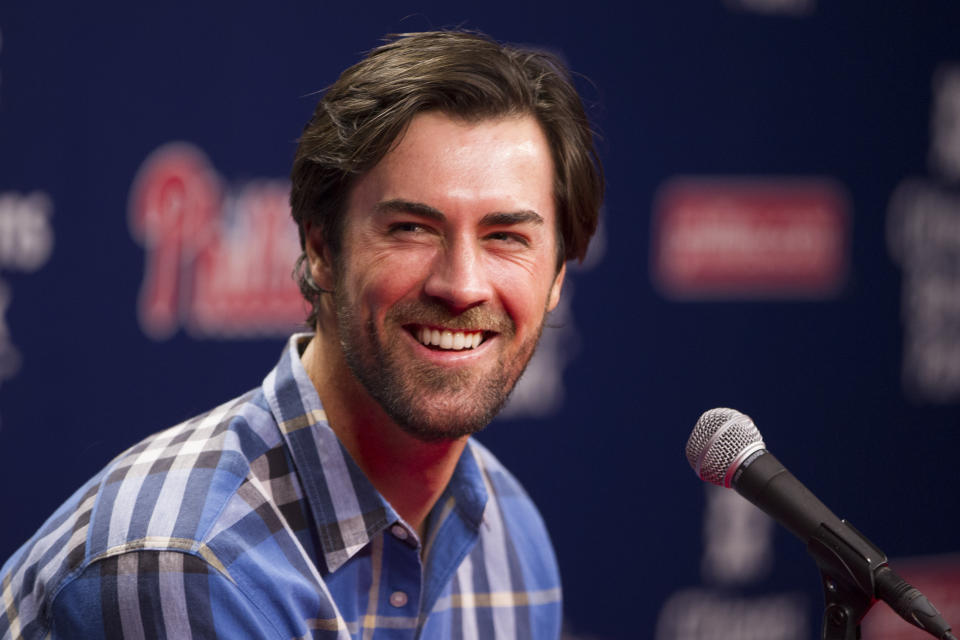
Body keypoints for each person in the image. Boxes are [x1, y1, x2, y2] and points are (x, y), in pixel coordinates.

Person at [0, 30, 603, 639]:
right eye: (412, 228)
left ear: (557, 275)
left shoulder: (512, 536)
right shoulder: (186, 561)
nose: (462, 285)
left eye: (506, 237)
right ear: (320, 247)